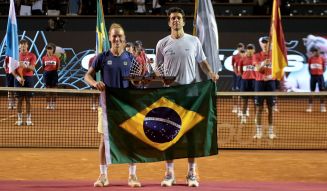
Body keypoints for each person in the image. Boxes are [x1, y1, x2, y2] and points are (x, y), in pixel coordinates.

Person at [155, 7, 219, 187]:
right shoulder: (162, 43)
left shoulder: (194, 41)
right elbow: (157, 66)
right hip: (170, 95)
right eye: (173, 18)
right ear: (169, 22)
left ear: (183, 22)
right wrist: (162, 78)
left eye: (179, 18)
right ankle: (169, 173)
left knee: (191, 135)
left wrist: (211, 74)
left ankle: (191, 173)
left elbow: (203, 62)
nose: (176, 21)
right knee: (168, 134)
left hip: (191, 94)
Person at [84, 23, 142, 188]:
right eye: (114, 36)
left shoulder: (131, 59)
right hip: (106, 106)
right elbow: (87, 76)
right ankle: (103, 175)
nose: (117, 39)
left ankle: (132, 176)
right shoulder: (102, 57)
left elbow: (136, 83)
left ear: (124, 39)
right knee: (104, 140)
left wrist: (138, 82)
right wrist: (95, 83)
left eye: (120, 36)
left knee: (130, 140)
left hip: (126, 107)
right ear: (109, 38)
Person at [253, 37, 276, 139]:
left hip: (270, 83)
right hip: (260, 84)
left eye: (266, 42)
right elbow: (258, 69)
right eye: (263, 43)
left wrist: (272, 76)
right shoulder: (256, 55)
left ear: (269, 43)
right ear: (260, 44)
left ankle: (271, 132)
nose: (265, 44)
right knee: (259, 109)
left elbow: (278, 70)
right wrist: (263, 63)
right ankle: (259, 132)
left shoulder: (274, 56)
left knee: (270, 109)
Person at [12, 39, 37, 126]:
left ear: (27, 46)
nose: (23, 47)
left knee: (28, 100)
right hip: (18, 80)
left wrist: (25, 65)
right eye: (21, 45)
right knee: (19, 99)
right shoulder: (15, 56)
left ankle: (29, 119)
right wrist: (18, 78)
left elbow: (33, 68)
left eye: (24, 45)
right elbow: (12, 70)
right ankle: (19, 119)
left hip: (29, 79)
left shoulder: (32, 55)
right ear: (19, 47)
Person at [238, 44, 256, 124]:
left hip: (254, 82)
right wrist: (245, 76)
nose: (249, 50)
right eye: (248, 48)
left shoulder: (256, 59)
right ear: (246, 50)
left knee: (255, 101)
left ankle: (256, 118)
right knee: (244, 101)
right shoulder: (242, 59)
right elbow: (240, 70)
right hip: (245, 81)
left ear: (253, 50)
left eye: (251, 48)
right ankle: (244, 117)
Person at [306, 47, 326, 112]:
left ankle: (322, 107)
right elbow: (309, 68)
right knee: (312, 92)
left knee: (322, 92)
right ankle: (310, 107)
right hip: (313, 77)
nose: (316, 52)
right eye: (314, 51)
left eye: (317, 51)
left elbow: (324, 68)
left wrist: (320, 73)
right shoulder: (310, 59)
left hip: (320, 77)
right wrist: (312, 74)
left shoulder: (322, 59)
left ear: (319, 52)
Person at [42, 43, 60, 109]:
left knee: (54, 90)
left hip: (54, 74)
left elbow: (58, 67)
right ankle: (48, 104)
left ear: (53, 50)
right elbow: (43, 67)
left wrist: (53, 71)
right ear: (46, 50)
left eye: (50, 49)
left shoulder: (56, 58)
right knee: (47, 90)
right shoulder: (44, 58)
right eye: (48, 49)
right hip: (46, 74)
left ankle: (53, 104)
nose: (49, 50)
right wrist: (46, 72)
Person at [231, 43, 245, 114]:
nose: (240, 48)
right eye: (239, 47)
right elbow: (233, 66)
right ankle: (235, 107)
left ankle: (240, 108)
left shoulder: (245, 56)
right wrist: (236, 73)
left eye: (241, 47)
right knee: (234, 92)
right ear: (237, 48)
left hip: (242, 77)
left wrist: (242, 74)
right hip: (235, 76)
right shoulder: (234, 56)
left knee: (240, 92)